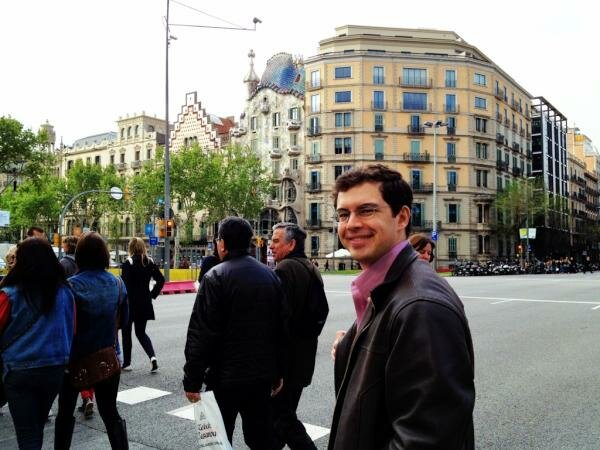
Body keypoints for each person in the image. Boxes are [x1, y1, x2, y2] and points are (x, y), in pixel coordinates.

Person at [328, 164, 475, 449]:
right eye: (343, 214)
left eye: (367, 210)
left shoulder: (421, 306)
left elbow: (426, 439)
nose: (351, 223)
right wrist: (351, 349)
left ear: (402, 217)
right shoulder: (387, 287)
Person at [183, 217, 286, 449]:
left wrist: (192, 379)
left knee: (219, 440)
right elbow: (280, 329)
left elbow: (201, 333)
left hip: (223, 378)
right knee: (260, 439)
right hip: (260, 376)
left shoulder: (216, 277)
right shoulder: (270, 275)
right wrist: (278, 370)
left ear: (222, 244)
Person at [54, 232, 129, 450]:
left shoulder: (69, 286)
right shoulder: (117, 283)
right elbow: (123, 321)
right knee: (110, 412)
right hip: (106, 358)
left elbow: (62, 326)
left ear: (79, 255)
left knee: (65, 413)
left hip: (73, 360)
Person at [0, 238, 75, 450]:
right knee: (36, 428)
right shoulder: (66, 292)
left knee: (27, 434)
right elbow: (72, 328)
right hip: (54, 369)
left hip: (19, 370)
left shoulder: (10, 293)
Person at [270, 222, 324, 450]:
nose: (270, 246)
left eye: (275, 241)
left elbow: (277, 321)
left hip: (287, 363)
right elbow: (321, 313)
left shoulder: (284, 270)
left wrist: (276, 367)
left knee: (282, 418)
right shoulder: (311, 268)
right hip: (303, 359)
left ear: (291, 244)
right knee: (281, 418)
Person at [120, 237, 165, 372]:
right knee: (141, 333)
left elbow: (124, 286)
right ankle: (152, 357)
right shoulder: (149, 261)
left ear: (131, 248)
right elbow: (161, 280)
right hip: (145, 303)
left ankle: (127, 363)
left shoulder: (128, 262)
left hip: (130, 304)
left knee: (126, 333)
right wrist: (152, 294)